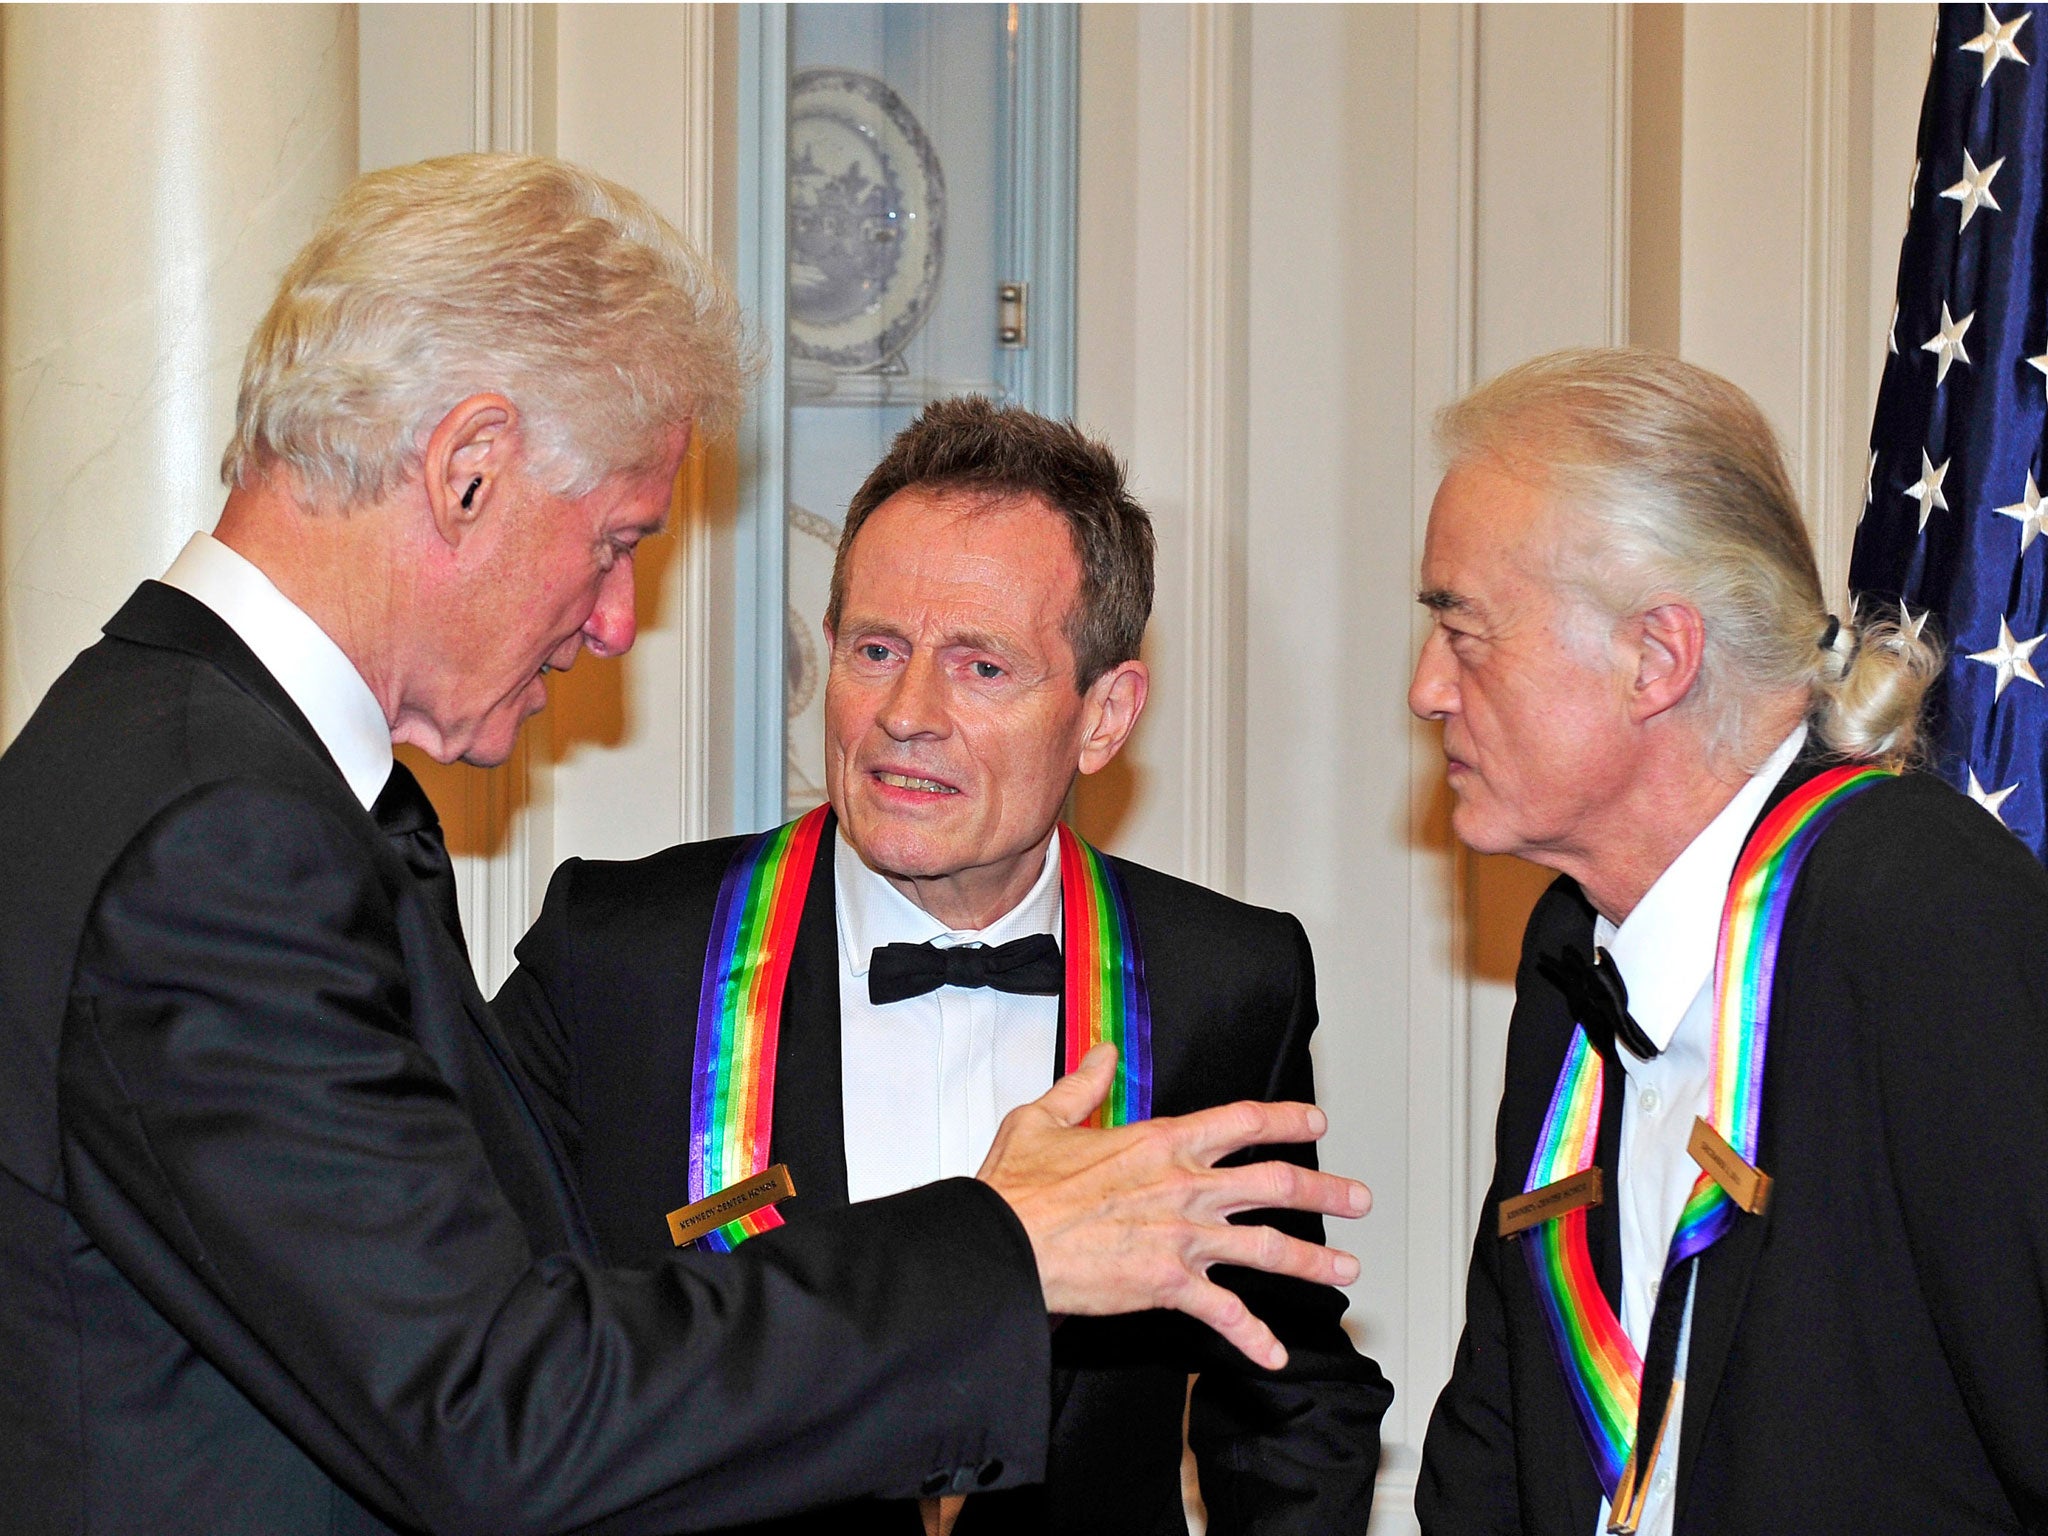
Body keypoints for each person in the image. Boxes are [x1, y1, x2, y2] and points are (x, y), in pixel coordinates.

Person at [0, 154, 1371, 1536]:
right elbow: (496, 1411)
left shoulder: (172, 758)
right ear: (469, 470)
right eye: (613, 543)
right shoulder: (224, 837)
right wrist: (999, 1246)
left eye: (981, 668)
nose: (614, 622)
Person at [492, 397, 1393, 1536]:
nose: (905, 715)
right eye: (875, 651)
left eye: (979, 667)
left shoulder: (1221, 979)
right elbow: (484, 1349)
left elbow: (1287, 1392)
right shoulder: (622, 950)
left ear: (1103, 714)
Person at [1410, 347, 2048, 1536]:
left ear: (1656, 656)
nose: (1425, 689)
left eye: (1464, 631)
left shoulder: (1923, 916)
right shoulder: (1571, 950)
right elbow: (1494, 1449)